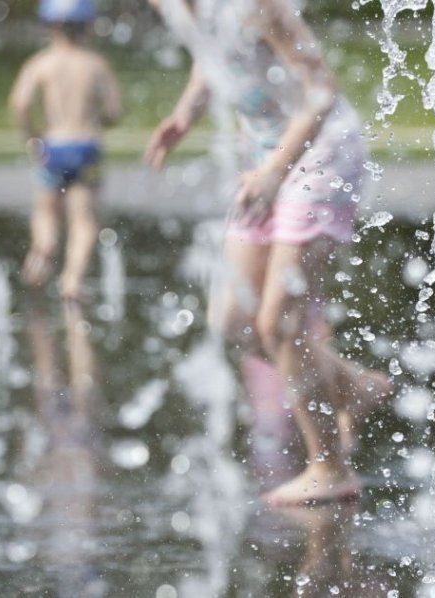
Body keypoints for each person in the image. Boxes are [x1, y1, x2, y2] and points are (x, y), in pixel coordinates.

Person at [143, 0, 389, 506]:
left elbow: (321, 91)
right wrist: (184, 114)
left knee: (280, 322)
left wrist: (277, 170)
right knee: (232, 320)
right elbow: (209, 55)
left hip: (320, 156)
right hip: (263, 165)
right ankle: (353, 385)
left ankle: (330, 467)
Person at [9, 0, 123, 300]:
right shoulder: (95, 64)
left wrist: (32, 137)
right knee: (84, 220)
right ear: (87, 26)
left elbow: (20, 104)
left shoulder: (40, 63)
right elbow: (115, 110)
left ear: (50, 26)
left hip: (52, 147)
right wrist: (101, 119)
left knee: (46, 212)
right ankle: (72, 281)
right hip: (86, 147)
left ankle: (43, 248)